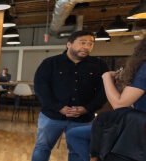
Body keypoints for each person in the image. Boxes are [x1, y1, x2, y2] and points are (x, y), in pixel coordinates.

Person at [31, 30, 109, 161]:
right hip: (52, 116)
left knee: (77, 151)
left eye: (91, 44)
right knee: (42, 147)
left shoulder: (99, 65)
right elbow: (41, 89)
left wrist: (88, 108)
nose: (86, 46)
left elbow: (104, 91)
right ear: (69, 44)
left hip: (83, 118)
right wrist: (58, 107)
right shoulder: (50, 63)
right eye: (82, 42)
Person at [66, 38, 146, 161]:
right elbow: (127, 101)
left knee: (76, 135)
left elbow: (119, 105)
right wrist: (118, 88)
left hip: (138, 128)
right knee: (76, 135)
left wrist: (106, 77)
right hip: (136, 123)